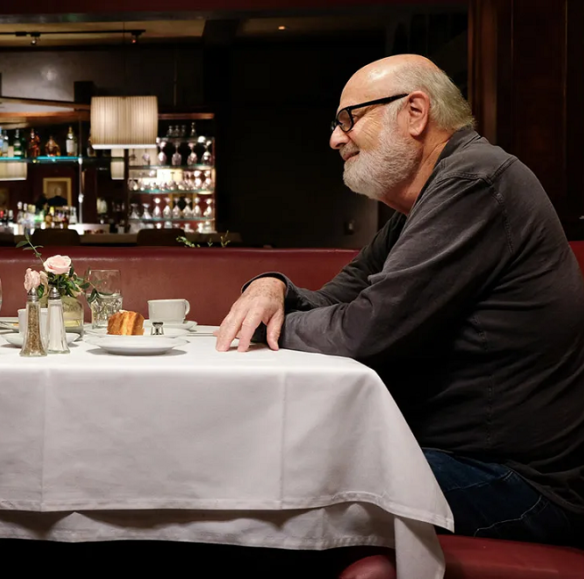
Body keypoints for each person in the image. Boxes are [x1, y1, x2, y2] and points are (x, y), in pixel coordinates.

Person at [216, 54, 584, 546]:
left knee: (271, 483)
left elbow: (363, 333)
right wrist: (271, 285)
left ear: (415, 112)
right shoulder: (424, 202)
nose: (336, 139)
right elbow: (334, 300)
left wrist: (271, 327)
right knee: (266, 467)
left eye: (349, 118)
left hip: (518, 483)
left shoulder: (474, 183)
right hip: (457, 457)